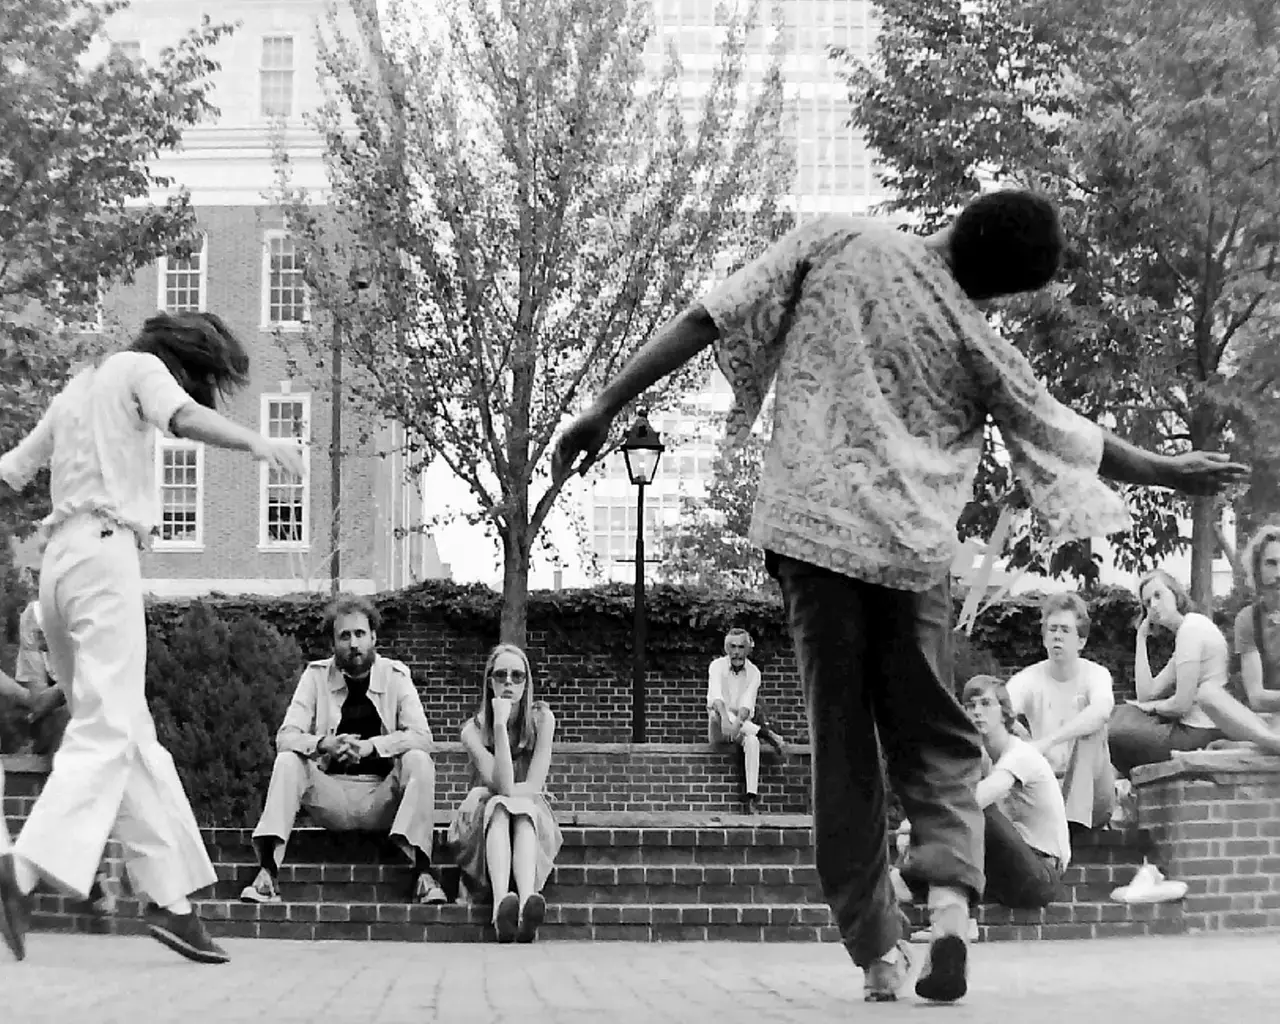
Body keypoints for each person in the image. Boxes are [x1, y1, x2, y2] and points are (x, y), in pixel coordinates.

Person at [551, 189, 1246, 1004]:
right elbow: (1070, 433)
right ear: (999, 290)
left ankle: (880, 951)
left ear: (964, 214)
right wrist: (1172, 470)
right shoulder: (974, 336)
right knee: (940, 739)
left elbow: (710, 315)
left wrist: (605, 404)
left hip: (813, 542)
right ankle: (949, 916)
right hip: (912, 560)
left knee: (843, 754)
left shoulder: (838, 239)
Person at [0, 311, 305, 964]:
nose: (199, 391)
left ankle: (171, 902)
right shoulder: (142, 369)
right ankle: (22, 870)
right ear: (184, 361)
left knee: (131, 735)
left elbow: (12, 470)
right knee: (107, 729)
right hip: (105, 559)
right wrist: (259, 444)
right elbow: (183, 419)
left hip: (55, 568)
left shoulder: (77, 387)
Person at [240, 595, 446, 906]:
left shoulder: (396, 676)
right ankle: (267, 874)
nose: (353, 644)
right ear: (334, 642)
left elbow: (421, 737)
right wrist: (324, 744)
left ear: (374, 637)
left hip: (381, 798)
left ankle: (424, 875)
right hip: (331, 797)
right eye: (345, 636)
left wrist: (371, 748)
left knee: (418, 759)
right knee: (288, 761)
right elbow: (286, 736)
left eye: (360, 634)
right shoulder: (315, 676)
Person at [1110, 569, 1280, 777]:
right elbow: (1147, 692)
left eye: (1158, 595)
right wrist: (1141, 638)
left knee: (1112, 731)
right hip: (1198, 728)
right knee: (1116, 719)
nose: (1153, 605)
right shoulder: (1187, 631)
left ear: (1175, 594)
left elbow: (1181, 704)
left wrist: (1151, 707)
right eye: (1147, 603)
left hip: (1199, 731)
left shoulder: (1192, 630)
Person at [448, 644, 562, 944]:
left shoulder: (542, 720)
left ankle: (525, 905)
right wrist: (498, 724)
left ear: (527, 683)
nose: (509, 683)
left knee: (520, 809)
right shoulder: (472, 731)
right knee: (501, 805)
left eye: (517, 676)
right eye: (501, 675)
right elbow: (506, 787)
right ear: (490, 681)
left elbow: (532, 785)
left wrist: (486, 792)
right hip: (484, 825)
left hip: (531, 818)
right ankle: (502, 907)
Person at [1004, 593, 1115, 832]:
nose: (1057, 635)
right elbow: (1000, 711)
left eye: (1065, 630)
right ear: (1044, 637)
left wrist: (1045, 743)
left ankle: (1072, 825)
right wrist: (1022, 737)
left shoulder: (1096, 674)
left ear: (1081, 641)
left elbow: (1102, 711)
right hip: (1047, 789)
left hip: (1095, 797)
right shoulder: (1027, 679)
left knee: (1092, 728)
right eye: (1052, 629)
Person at [961, 675, 1070, 909]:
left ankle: (959, 914)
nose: (977, 711)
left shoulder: (1020, 754)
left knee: (977, 810)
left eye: (986, 704)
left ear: (1005, 712)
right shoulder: (983, 758)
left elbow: (977, 800)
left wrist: (920, 821)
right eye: (970, 706)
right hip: (1009, 871)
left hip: (1040, 875)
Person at [707, 628, 787, 813]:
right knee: (715, 713)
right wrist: (727, 719)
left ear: (748, 649)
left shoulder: (754, 673)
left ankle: (751, 797)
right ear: (727, 648)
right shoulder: (716, 666)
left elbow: (747, 705)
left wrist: (736, 725)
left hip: (741, 727)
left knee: (752, 742)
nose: (736, 652)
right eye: (733, 647)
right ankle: (766, 733)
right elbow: (716, 698)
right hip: (720, 725)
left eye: (741, 647)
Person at [1232, 524, 1280, 725]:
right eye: (1271, 563)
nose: (1279, 573)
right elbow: (1257, 697)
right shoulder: (1248, 619)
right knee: (1209, 695)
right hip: (1268, 718)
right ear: (1257, 569)